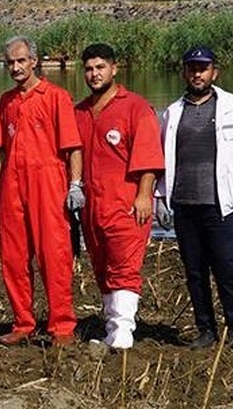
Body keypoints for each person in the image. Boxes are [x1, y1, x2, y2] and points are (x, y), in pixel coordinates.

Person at [0, 36, 83, 347]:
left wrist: (75, 185)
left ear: (34, 61)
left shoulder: (56, 97)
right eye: (10, 63)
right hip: (13, 186)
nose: (15, 68)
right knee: (13, 257)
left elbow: (73, 147)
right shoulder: (6, 101)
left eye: (20, 61)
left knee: (53, 255)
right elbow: (1, 149)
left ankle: (61, 325)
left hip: (48, 184)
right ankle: (23, 323)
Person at [156, 46, 233, 350]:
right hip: (184, 204)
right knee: (194, 270)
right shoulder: (172, 112)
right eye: (192, 68)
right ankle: (205, 330)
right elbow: (162, 160)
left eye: (203, 68)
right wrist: (160, 198)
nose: (198, 73)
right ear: (184, 72)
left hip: (221, 204)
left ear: (214, 72)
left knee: (226, 267)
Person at [72, 43, 164, 350]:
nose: (94, 74)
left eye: (100, 67)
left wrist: (144, 195)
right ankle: (112, 328)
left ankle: (123, 331)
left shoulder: (135, 108)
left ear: (114, 68)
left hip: (125, 204)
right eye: (88, 68)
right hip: (92, 206)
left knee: (124, 266)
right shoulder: (81, 111)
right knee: (101, 265)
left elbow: (150, 156)